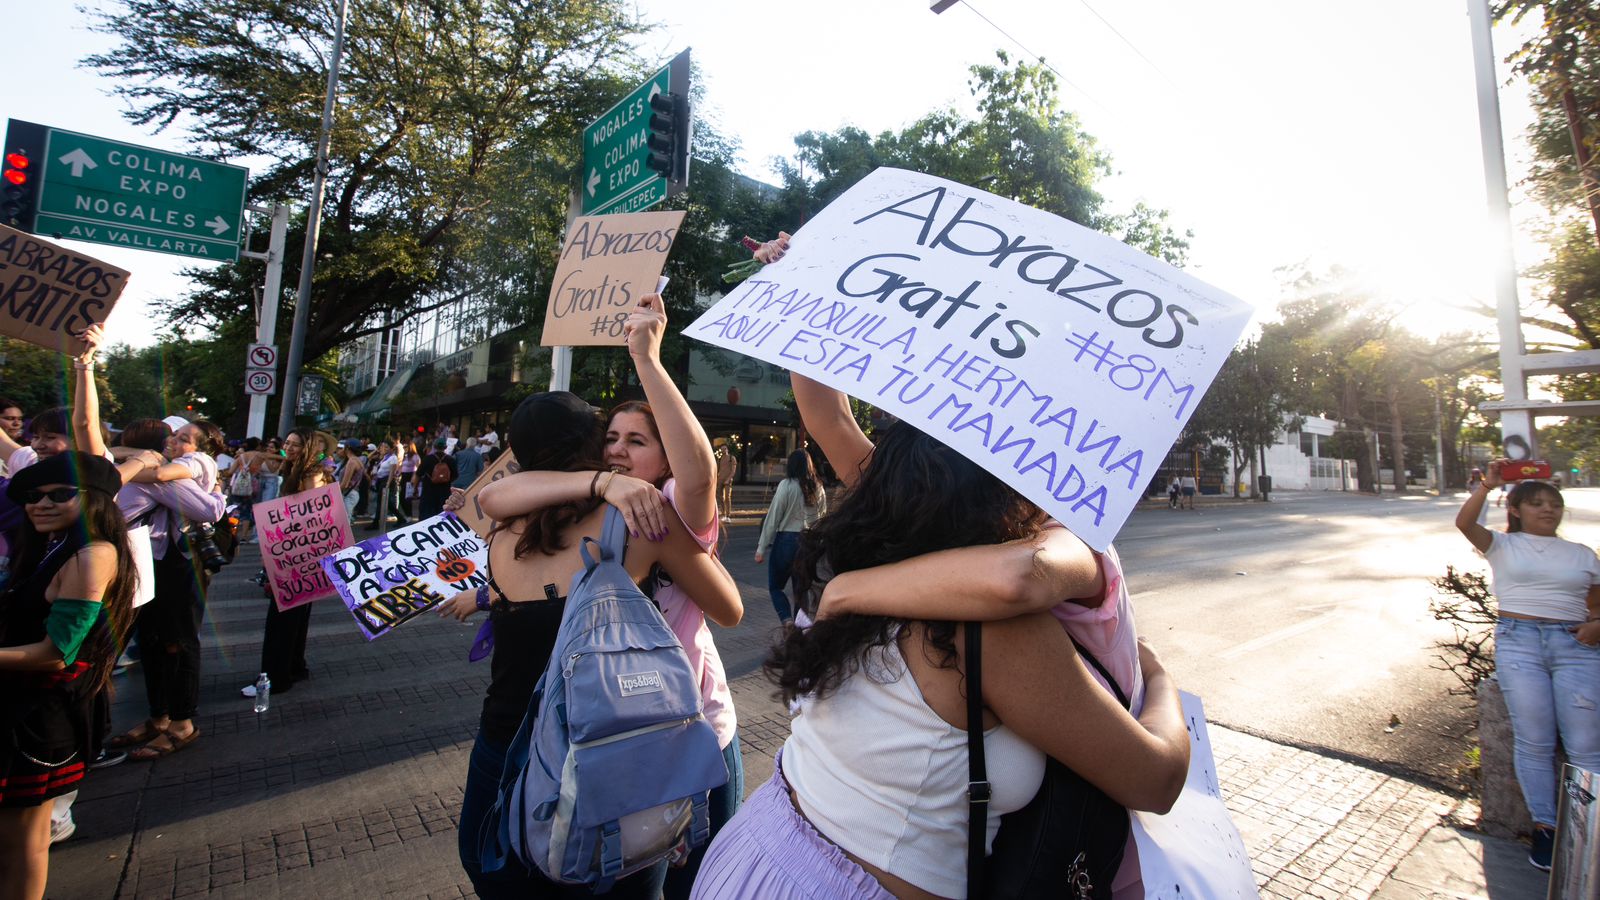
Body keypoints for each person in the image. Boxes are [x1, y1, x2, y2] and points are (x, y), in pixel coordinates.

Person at [474, 294, 746, 900]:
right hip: (608, 728)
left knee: (695, 878)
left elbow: (698, 471)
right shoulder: (586, 508)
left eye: (637, 440)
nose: (620, 449)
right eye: (612, 438)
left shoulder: (671, 510)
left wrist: (647, 358)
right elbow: (494, 500)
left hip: (689, 718)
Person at [0, 453, 138, 900]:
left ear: (94, 501)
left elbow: (57, 653)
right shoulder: (58, 545)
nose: (40, 504)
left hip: (40, 716)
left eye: (59, 495)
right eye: (33, 497)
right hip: (27, 707)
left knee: (22, 843)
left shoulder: (93, 555)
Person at [1455, 460, 1600, 871]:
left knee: (1586, 745)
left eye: (1553, 504)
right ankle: (1546, 829)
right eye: (1536, 504)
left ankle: (1588, 830)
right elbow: (1465, 523)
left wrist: (1597, 627)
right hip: (1519, 644)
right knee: (1534, 739)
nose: (1548, 510)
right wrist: (1486, 485)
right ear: (1516, 510)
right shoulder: (1503, 545)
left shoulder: (1581, 554)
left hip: (1576, 646)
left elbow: (1597, 604)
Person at [242, 428, 337, 699]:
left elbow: (312, 512)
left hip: (297, 554)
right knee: (294, 614)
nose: (289, 448)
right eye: (288, 442)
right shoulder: (300, 470)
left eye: (296, 444)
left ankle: (275, 677)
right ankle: (292, 667)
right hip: (298, 552)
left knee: (282, 617)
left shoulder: (311, 473)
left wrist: (276, 547)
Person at [755, 449, 826, 624]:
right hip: (809, 542)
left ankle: (786, 620)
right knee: (801, 591)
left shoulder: (786, 485)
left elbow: (773, 518)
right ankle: (799, 627)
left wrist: (761, 548)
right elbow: (823, 520)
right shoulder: (818, 487)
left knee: (776, 587)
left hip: (786, 541)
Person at [415, 438, 456, 520]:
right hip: (444, 491)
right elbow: (455, 475)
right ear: (445, 447)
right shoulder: (451, 460)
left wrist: (415, 488)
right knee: (441, 514)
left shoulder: (427, 459)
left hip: (428, 491)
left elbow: (418, 474)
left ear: (434, 446)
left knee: (426, 515)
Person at [337, 441, 367, 526]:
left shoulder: (352, 462)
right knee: (346, 520)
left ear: (347, 449)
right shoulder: (358, 460)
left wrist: (334, 493)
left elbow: (345, 483)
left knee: (344, 523)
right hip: (353, 493)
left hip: (349, 494)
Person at [714, 438, 737, 525]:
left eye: (724, 449)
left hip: (728, 480)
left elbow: (733, 470)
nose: (723, 450)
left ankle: (728, 515)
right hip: (720, 480)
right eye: (722, 449)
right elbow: (717, 470)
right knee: (720, 497)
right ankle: (723, 513)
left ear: (727, 449)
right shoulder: (720, 459)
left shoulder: (732, 458)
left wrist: (728, 479)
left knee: (727, 497)